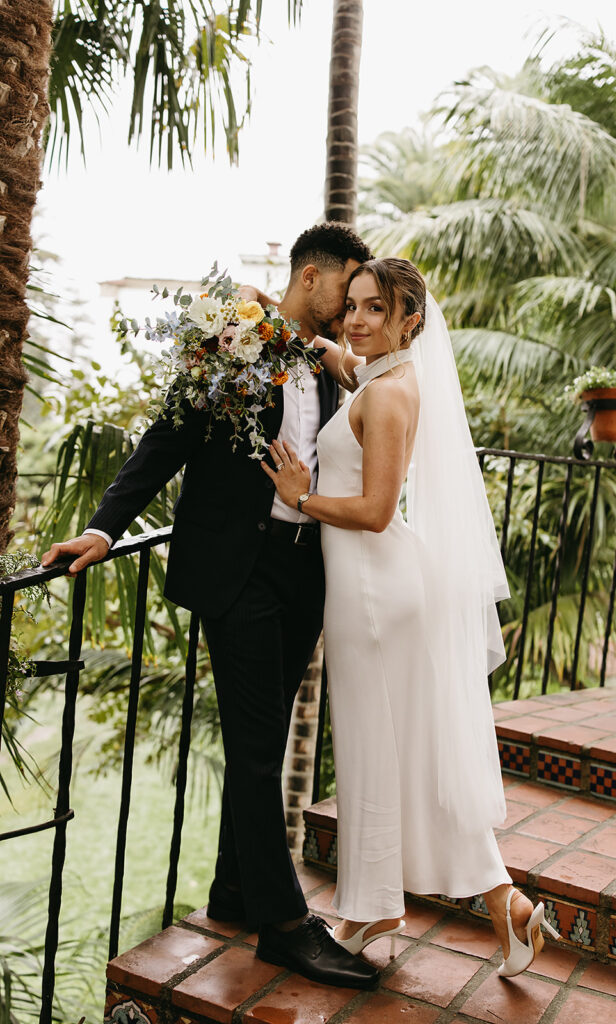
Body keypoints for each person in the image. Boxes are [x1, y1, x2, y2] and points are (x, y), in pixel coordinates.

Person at [41, 223, 382, 991]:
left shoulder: (326, 365)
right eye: (345, 288)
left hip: (306, 572)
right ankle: (285, 925)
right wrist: (103, 527)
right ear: (311, 277)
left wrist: (332, 356)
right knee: (259, 749)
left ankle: (235, 889)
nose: (350, 307)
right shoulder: (234, 344)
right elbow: (164, 438)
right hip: (241, 572)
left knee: (263, 737)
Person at [262, 257, 560, 979]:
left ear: (410, 322)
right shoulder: (375, 377)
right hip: (368, 591)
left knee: (377, 748)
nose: (356, 320)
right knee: (397, 751)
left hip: (376, 595)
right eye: (353, 306)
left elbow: (371, 511)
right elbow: (340, 362)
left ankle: (386, 907)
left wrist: (301, 497)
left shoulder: (389, 394)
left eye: (375, 309)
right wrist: (275, 323)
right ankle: (474, 907)